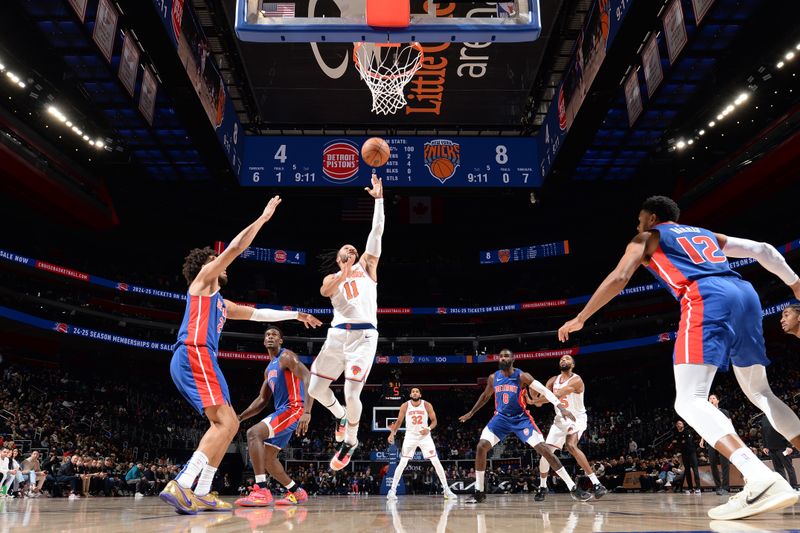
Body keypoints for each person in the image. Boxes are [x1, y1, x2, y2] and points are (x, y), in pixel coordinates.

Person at [558, 195, 800, 520]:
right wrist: (795, 283)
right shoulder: (703, 234)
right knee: (760, 392)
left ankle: (759, 478)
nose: (637, 225)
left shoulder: (648, 236)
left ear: (652, 218)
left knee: (688, 401)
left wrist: (582, 318)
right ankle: (762, 478)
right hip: (744, 294)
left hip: (704, 296)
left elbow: (619, 278)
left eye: (639, 219)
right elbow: (763, 250)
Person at [160, 196, 322, 515]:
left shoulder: (221, 301)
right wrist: (263, 218)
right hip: (195, 354)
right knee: (224, 422)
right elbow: (235, 248)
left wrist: (294, 315)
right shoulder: (203, 281)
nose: (220, 260)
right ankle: (182, 482)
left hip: (199, 359)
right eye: (214, 258)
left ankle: (203, 491)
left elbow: (259, 314)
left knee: (231, 423)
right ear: (207, 263)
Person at [308, 176, 384, 470]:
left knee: (352, 392)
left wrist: (378, 201)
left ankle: (350, 440)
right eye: (348, 249)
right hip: (337, 337)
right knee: (315, 389)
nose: (353, 250)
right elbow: (326, 291)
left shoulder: (367, 267)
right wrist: (343, 272)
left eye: (355, 249)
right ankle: (340, 415)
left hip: (363, 337)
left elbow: (376, 232)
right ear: (339, 257)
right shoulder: (332, 278)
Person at [458, 349, 591, 503]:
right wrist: (471, 412)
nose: (502, 358)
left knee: (545, 451)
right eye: (500, 356)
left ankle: (572, 488)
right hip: (500, 419)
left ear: (512, 359)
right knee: (481, 446)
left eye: (506, 355)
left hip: (521, 419)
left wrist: (561, 408)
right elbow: (486, 396)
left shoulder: (522, 376)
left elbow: (544, 391)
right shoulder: (493, 377)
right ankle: (479, 492)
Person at [235, 326, 313, 507]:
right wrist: (239, 417)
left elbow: (308, 376)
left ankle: (261, 490)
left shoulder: (286, 356)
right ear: (264, 341)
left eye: (274, 335)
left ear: (281, 341)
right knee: (268, 460)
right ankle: (297, 492)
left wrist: (307, 411)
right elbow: (262, 400)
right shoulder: (268, 369)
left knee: (254, 433)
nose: (270, 337)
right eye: (267, 335)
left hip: (294, 409)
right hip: (283, 411)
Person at [531, 354, 607, 500]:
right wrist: (532, 397)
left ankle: (597, 484)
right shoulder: (553, 380)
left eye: (566, 359)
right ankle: (542, 486)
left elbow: (557, 394)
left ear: (572, 364)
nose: (563, 360)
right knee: (546, 453)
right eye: (561, 359)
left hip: (576, 418)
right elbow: (540, 402)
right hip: (559, 420)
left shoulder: (577, 380)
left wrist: (535, 399)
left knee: (571, 445)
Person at [386, 387, 456, 500]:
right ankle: (392, 490)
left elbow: (434, 421)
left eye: (417, 391)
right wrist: (392, 434)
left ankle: (446, 490)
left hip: (424, 436)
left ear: (420, 395)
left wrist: (428, 428)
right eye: (413, 391)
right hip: (410, 436)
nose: (414, 393)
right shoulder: (405, 405)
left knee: (436, 461)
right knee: (403, 462)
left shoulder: (427, 405)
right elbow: (399, 422)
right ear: (410, 395)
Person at [699, 394, 731, 495]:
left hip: (722, 439)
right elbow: (705, 427)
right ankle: (718, 486)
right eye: (710, 399)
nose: (711, 400)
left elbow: (729, 425)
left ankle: (725, 487)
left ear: (717, 400)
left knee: (724, 463)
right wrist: (702, 439)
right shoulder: (706, 414)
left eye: (713, 398)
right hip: (711, 440)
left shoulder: (724, 412)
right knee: (712, 463)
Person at [761, 414, 798, 489]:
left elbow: (787, 430)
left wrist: (789, 446)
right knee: (778, 469)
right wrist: (765, 446)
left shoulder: (780, 415)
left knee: (789, 468)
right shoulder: (764, 418)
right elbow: (764, 432)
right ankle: (784, 487)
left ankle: (794, 486)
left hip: (783, 447)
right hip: (771, 448)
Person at [672, 420, 701, 494]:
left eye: (680, 423)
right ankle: (690, 488)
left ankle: (698, 488)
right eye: (677, 423)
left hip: (691, 452)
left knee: (695, 469)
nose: (679, 424)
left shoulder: (687, 432)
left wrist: (679, 442)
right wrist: (681, 442)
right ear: (676, 426)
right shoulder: (676, 434)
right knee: (687, 471)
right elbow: (676, 444)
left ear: (683, 425)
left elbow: (688, 441)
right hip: (684, 454)